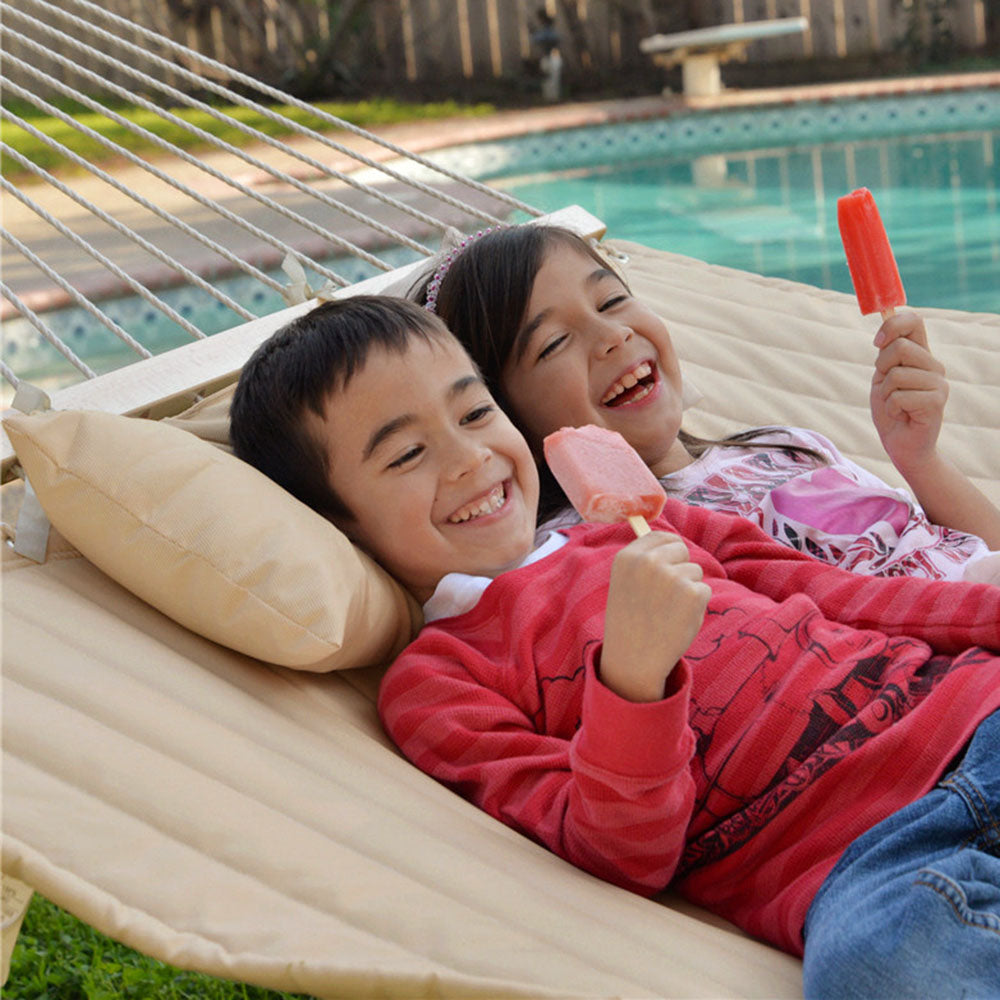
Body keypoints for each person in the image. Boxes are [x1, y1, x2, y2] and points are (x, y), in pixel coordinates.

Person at [229, 294, 1000, 999]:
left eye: (473, 415)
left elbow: (854, 601)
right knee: (870, 967)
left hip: (971, 716)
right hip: (863, 860)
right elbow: (620, 855)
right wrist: (633, 680)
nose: (469, 459)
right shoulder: (438, 682)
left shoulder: (661, 521)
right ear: (341, 525)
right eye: (404, 456)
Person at [418, 224, 1000, 584]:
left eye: (613, 300)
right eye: (553, 343)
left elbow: (978, 550)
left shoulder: (785, 446)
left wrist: (918, 458)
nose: (613, 336)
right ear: (505, 413)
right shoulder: (612, 549)